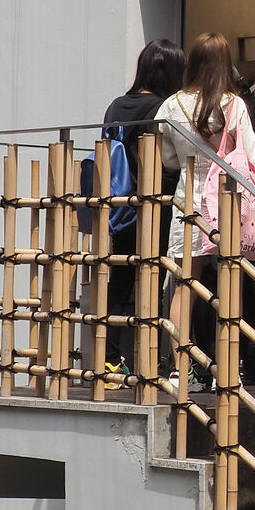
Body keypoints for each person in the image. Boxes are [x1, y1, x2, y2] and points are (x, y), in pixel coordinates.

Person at [155, 33, 255, 388]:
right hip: (227, 202)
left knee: (184, 285)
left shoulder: (171, 105)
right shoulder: (234, 105)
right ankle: (227, 370)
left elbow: (167, 159)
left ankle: (180, 369)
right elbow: (252, 156)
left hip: (189, 199)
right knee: (230, 284)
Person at [100, 39, 185, 371]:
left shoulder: (116, 106)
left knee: (120, 279)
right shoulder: (162, 108)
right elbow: (166, 161)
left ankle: (109, 358)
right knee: (155, 276)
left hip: (119, 203)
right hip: (153, 203)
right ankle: (149, 360)